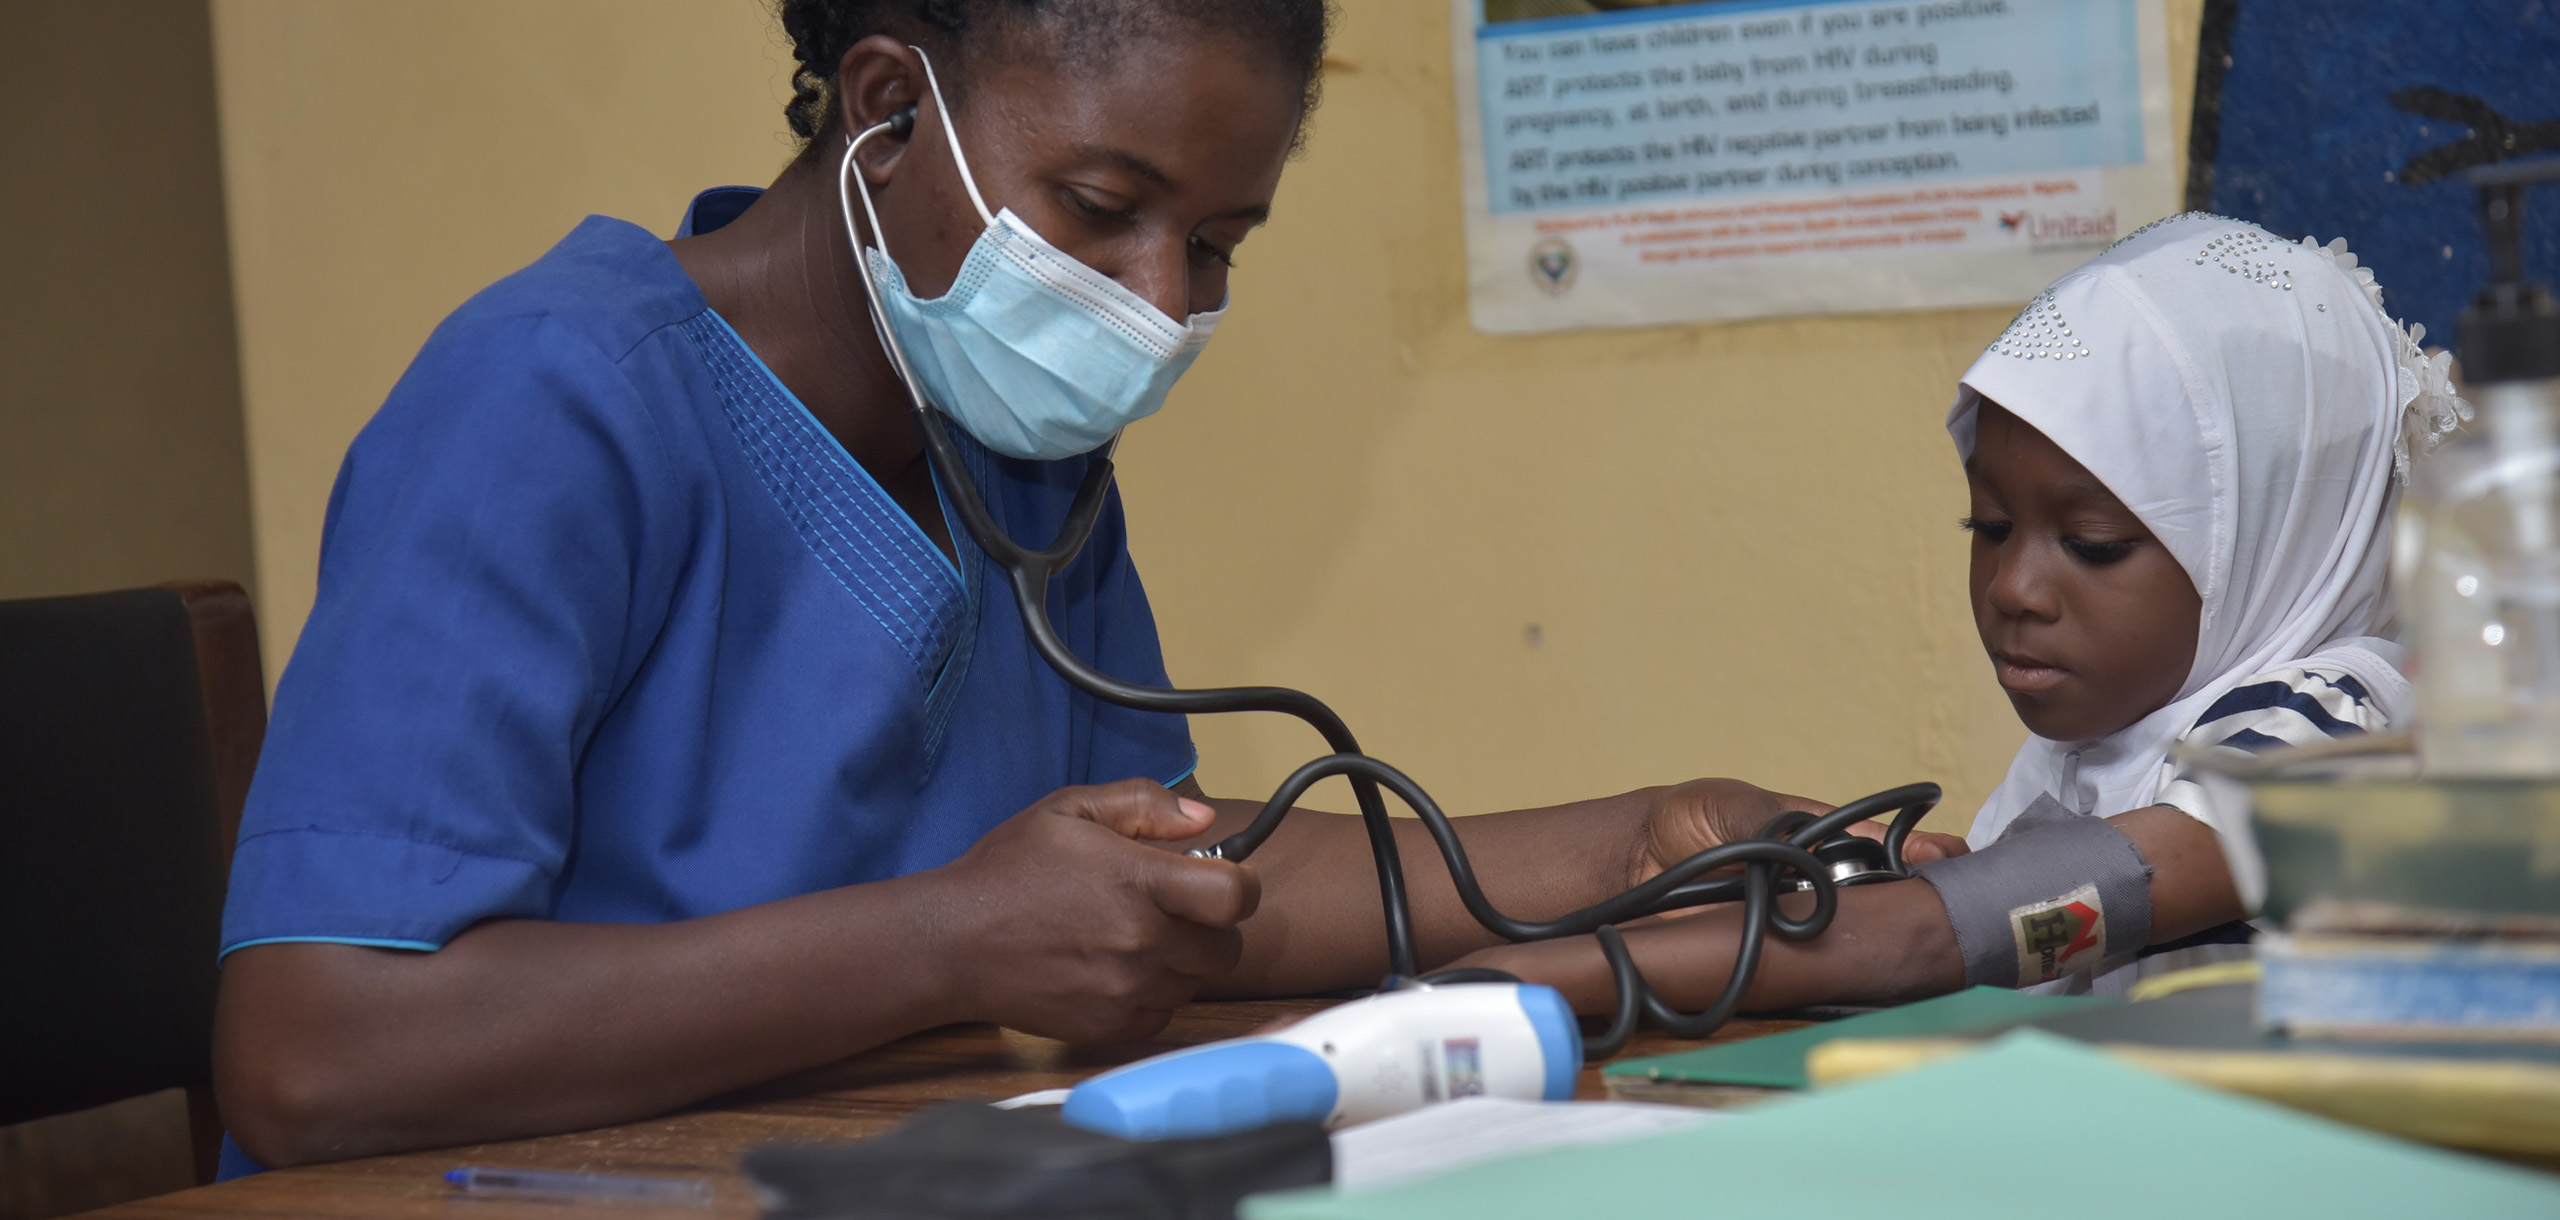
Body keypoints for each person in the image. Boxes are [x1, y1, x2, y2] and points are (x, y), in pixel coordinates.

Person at [211, 0, 1853, 1171]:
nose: (1154, 303)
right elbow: (316, 1052)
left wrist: (1635, 843)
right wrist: (949, 943)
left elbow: (1168, 894)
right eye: (1104, 209)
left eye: (1217, 243)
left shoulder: (1012, 449)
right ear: (883, 106)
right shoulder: (548, 403)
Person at [1464, 213, 2465, 1010]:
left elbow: (1958, 931)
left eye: (2092, 543)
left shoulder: (2339, 738)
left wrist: (1557, 975)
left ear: (2273, 539)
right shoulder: (2094, 755)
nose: (2013, 589)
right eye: (1988, 526)